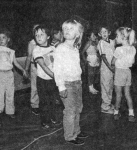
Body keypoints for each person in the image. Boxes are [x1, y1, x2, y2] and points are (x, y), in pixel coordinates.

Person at [53, 18, 88, 146]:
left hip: (77, 82)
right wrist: (61, 86)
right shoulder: (60, 48)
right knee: (70, 110)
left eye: (71, 28)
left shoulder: (75, 49)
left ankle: (76, 131)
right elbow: (57, 69)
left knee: (78, 108)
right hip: (67, 84)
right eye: (65, 29)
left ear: (78, 33)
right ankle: (69, 136)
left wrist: (80, 80)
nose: (67, 31)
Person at [0, 28, 27, 126]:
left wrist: (23, 70)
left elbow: (15, 63)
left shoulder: (11, 51)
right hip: (0, 74)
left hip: (9, 74)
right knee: (0, 94)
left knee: (10, 93)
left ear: (8, 39)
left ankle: (10, 111)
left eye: (4, 37)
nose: (1, 39)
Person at [33, 25, 61, 129]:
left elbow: (58, 63)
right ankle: (45, 121)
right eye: (36, 35)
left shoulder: (53, 48)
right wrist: (56, 76)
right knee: (44, 101)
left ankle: (53, 117)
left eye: (41, 34)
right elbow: (43, 66)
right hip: (42, 80)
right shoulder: (36, 50)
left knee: (52, 100)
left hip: (52, 79)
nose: (39, 37)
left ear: (48, 36)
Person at [111, 27, 137, 122]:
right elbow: (133, 62)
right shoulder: (133, 48)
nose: (116, 38)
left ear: (123, 37)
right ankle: (131, 114)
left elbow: (113, 62)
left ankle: (116, 112)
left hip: (119, 72)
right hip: (128, 72)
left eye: (117, 36)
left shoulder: (119, 49)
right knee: (127, 94)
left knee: (118, 95)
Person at [97, 26, 115, 114]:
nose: (104, 33)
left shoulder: (112, 42)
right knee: (105, 86)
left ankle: (108, 103)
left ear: (109, 33)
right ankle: (104, 106)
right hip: (106, 69)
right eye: (102, 32)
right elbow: (103, 57)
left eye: (105, 31)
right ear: (99, 34)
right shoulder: (101, 42)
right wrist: (110, 67)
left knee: (110, 86)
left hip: (112, 68)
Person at [25, 24, 40, 115]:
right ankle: (35, 105)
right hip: (34, 66)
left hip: (44, 67)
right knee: (34, 86)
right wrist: (26, 69)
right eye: (35, 31)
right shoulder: (32, 43)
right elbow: (29, 56)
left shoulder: (46, 42)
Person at [82, 30, 100, 94]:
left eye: (95, 35)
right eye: (93, 36)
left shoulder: (95, 43)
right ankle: (90, 88)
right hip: (90, 59)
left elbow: (98, 50)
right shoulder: (88, 43)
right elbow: (82, 52)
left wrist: (97, 40)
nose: (95, 37)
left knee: (93, 75)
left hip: (95, 59)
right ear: (89, 37)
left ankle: (92, 87)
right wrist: (85, 60)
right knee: (90, 75)